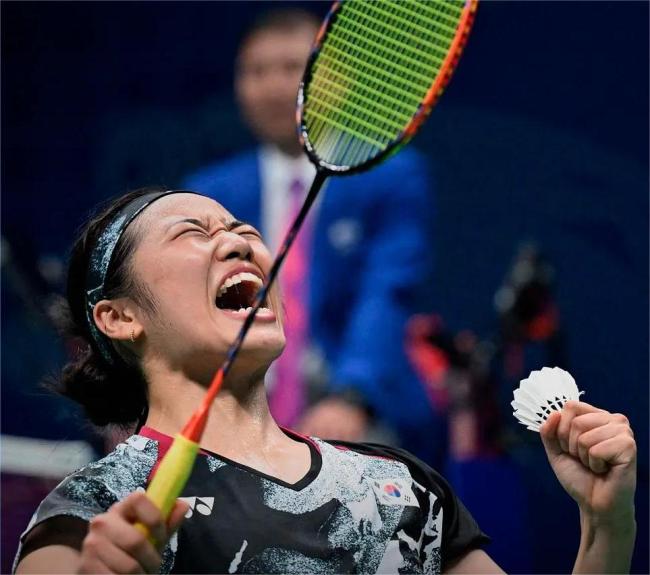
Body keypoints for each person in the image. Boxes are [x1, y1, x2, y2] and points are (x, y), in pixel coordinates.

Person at [13, 189, 637, 574]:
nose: (238, 242)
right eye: (194, 234)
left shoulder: (399, 486)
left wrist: (606, 525)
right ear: (119, 317)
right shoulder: (98, 505)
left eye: (244, 230)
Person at [182, 9, 440, 457]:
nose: (273, 87)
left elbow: (386, 293)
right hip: (237, 404)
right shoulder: (210, 191)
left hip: (357, 401)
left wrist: (352, 398)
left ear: (337, 80)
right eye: (256, 72)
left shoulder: (391, 175)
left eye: (292, 69)